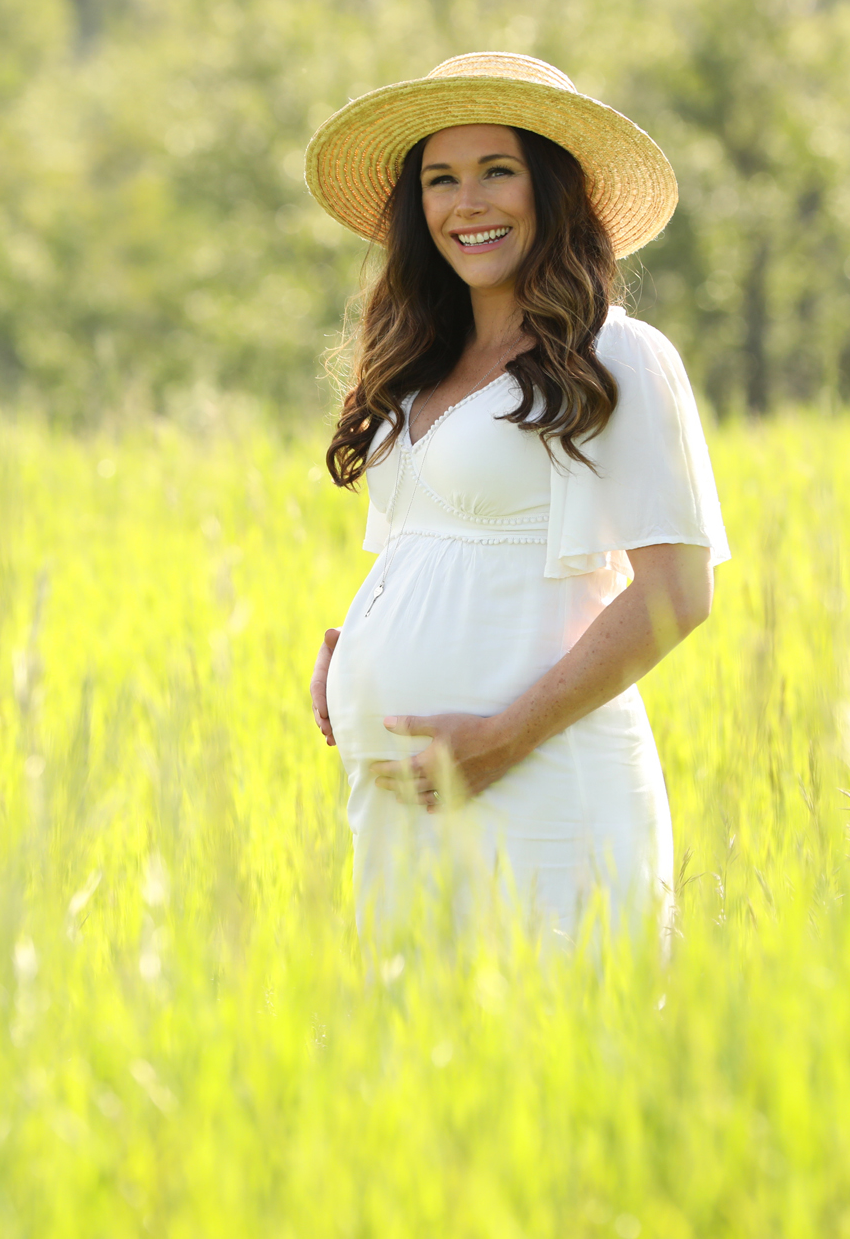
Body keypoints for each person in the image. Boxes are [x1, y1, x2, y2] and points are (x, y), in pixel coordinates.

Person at [301, 53, 729, 945]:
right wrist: (353, 654)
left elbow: (676, 594)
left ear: (553, 190)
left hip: (537, 775)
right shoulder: (418, 364)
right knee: (417, 1060)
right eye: (441, 179)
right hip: (404, 791)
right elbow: (428, 547)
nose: (469, 204)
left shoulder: (619, 359)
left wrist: (501, 737)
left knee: (558, 1048)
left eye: (499, 171)